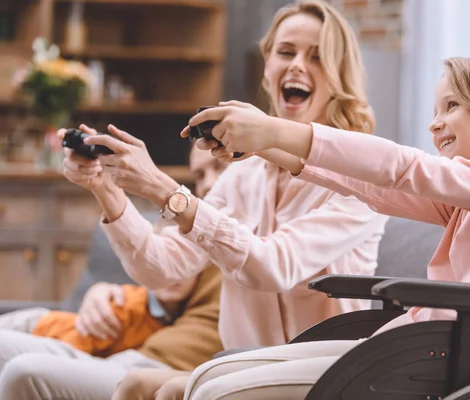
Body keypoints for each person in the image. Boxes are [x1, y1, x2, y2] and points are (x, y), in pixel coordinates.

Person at [0, 1, 389, 399]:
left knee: (171, 388)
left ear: (340, 74)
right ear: (267, 64)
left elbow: (273, 266)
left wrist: (167, 192)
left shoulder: (358, 176)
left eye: (318, 57)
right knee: (133, 385)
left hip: (325, 368)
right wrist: (107, 188)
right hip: (242, 361)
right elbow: (162, 269)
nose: (297, 66)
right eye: (286, 52)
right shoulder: (242, 175)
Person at [170, 54, 470, 399]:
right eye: (435, 110)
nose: (435, 123)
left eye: (452, 106)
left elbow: (404, 169)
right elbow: (375, 187)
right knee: (211, 375)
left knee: (216, 390)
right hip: (421, 346)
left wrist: (275, 129)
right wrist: (267, 146)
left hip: (447, 354)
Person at [0, 143, 225, 399]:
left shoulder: (257, 238)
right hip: (128, 357)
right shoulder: (200, 234)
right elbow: (162, 279)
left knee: (24, 370)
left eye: (220, 167)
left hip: (163, 371)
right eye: (199, 175)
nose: (208, 184)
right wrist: (104, 290)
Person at [0, 276, 198, 356]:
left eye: (186, 264)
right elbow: (71, 349)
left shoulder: (188, 319)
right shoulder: (127, 305)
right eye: (164, 265)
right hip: (36, 328)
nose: (175, 274)